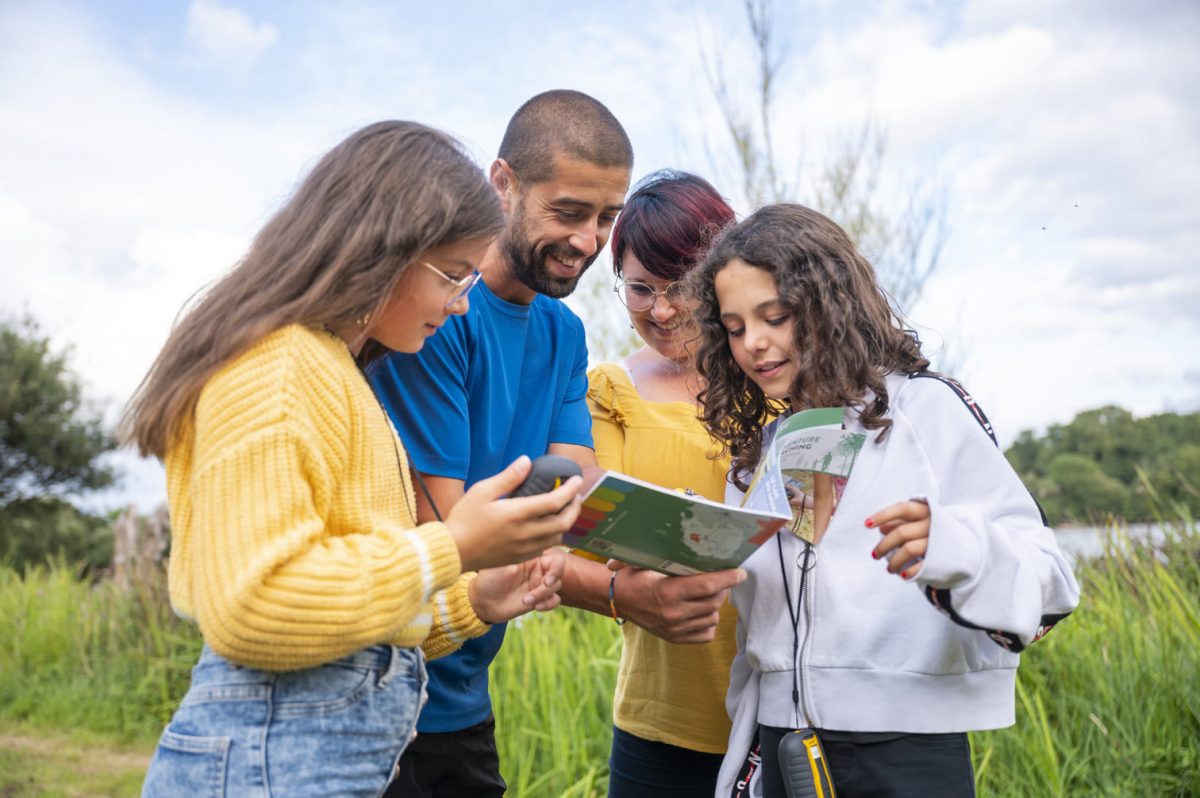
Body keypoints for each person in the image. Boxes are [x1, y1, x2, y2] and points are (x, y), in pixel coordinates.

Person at [121, 120, 583, 798]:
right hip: (268, 765)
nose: (461, 306)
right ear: (383, 251)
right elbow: (257, 602)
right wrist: (450, 547)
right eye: (453, 277)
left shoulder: (336, 372)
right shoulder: (276, 369)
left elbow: (356, 618)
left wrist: (474, 598)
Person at [688, 203, 1082, 798]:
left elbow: (1053, 585)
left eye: (777, 316)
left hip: (904, 750)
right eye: (736, 327)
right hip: (777, 748)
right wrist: (691, 551)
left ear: (829, 306)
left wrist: (957, 548)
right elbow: (768, 625)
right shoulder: (761, 453)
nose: (755, 345)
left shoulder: (926, 410)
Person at [368, 90, 633, 797]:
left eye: (608, 217)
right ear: (504, 184)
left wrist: (671, 547)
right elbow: (450, 534)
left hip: (466, 694)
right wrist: (617, 593)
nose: (589, 240)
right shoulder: (433, 318)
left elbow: (577, 480)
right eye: (570, 212)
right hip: (389, 691)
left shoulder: (562, 331)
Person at [584, 170, 743, 796]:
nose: (663, 309)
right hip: (661, 722)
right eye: (641, 288)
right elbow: (590, 526)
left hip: (786, 713)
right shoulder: (610, 391)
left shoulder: (782, 384)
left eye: (680, 286)